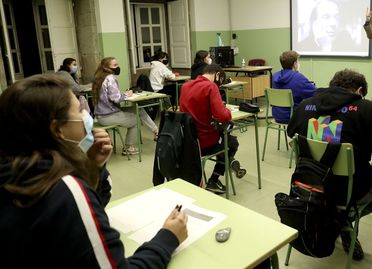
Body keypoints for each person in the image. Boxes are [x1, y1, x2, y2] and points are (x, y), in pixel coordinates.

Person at [0, 74, 188, 268]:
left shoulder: (18, 173)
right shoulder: (65, 189)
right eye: (80, 110)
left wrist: (93, 168)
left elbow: (85, 212)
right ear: (58, 130)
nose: (86, 116)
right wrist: (168, 237)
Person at [287, 69, 372, 260]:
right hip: (349, 188)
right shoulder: (367, 109)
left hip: (309, 185)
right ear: (359, 90)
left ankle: (339, 217)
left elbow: (292, 132)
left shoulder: (305, 105)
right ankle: (346, 218)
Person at [180, 64, 246, 194]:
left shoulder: (186, 86)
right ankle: (214, 180)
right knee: (232, 143)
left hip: (188, 141)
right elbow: (223, 116)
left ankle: (228, 161)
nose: (219, 85)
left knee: (225, 140)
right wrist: (226, 109)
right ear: (216, 74)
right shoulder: (210, 87)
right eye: (220, 81)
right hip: (205, 142)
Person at [92, 57, 159, 155]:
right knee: (136, 120)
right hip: (109, 116)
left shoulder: (99, 77)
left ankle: (156, 131)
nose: (118, 67)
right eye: (115, 65)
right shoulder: (110, 78)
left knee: (138, 110)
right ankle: (128, 147)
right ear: (106, 67)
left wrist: (124, 94)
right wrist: (127, 94)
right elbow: (116, 98)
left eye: (117, 64)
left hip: (101, 115)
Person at [272, 50, 316, 123]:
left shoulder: (274, 76)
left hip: (277, 115)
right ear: (295, 64)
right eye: (298, 61)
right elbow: (315, 93)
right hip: (293, 117)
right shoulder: (298, 78)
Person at [149, 51, 176, 119]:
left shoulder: (153, 65)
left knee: (169, 87)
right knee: (174, 87)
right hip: (157, 90)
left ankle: (171, 107)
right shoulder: (161, 66)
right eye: (165, 58)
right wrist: (173, 74)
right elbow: (172, 76)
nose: (166, 60)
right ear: (160, 59)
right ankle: (173, 108)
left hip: (152, 89)